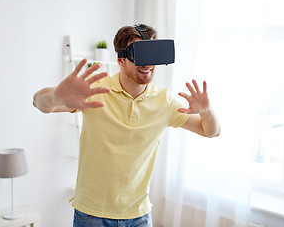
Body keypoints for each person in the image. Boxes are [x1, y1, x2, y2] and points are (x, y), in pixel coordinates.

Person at [33, 24, 220, 227]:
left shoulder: (163, 101)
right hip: (93, 214)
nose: (147, 64)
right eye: (139, 54)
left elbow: (210, 131)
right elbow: (39, 103)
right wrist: (55, 95)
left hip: (139, 215)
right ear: (121, 59)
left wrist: (206, 110)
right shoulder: (95, 91)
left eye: (151, 54)